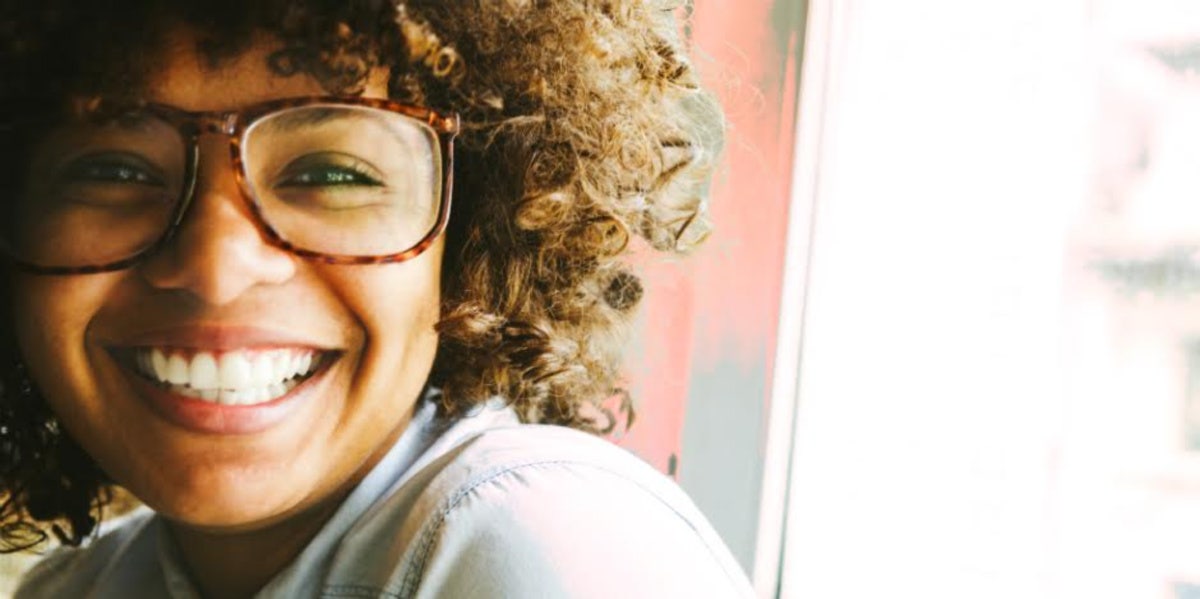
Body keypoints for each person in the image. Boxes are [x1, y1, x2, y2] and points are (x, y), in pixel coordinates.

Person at [0, 1, 747, 597]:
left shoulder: (545, 543)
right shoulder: (79, 585)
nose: (215, 267)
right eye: (114, 172)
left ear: (474, 232)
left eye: (333, 174)